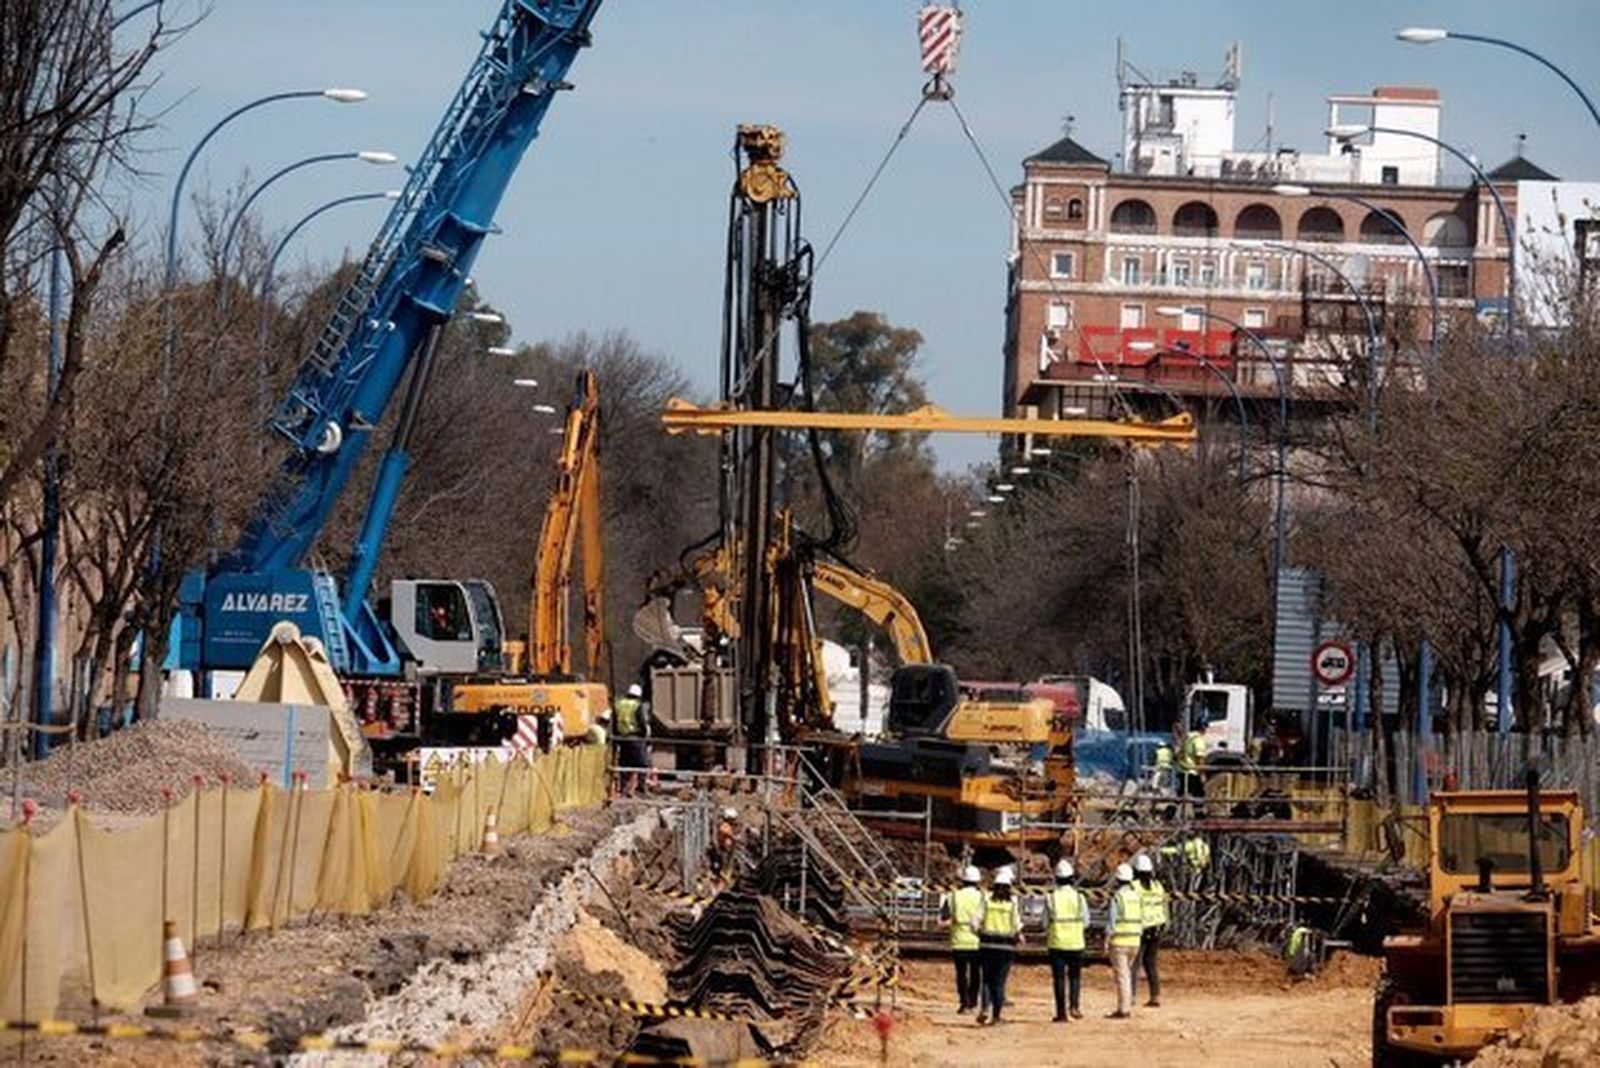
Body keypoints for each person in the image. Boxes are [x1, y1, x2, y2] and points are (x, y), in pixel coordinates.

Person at [976, 865, 1021, 1026]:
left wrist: (980, 933)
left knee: (986, 980)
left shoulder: (986, 900)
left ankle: (984, 1009)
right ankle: (996, 1016)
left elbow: (975, 922)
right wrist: (1019, 936)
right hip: (1006, 948)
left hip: (987, 945)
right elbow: (1017, 925)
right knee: (999, 982)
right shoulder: (1012, 903)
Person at [1044, 858, 1087, 1022]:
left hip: (1057, 943)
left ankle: (1061, 1012)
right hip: (1076, 943)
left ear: (1056, 878)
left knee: (1059, 978)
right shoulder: (1079, 897)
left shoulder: (1051, 898)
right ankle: (1075, 1006)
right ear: (1071, 878)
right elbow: (1086, 921)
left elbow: (1044, 922)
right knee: (1075, 977)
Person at [939, 865, 985, 1013]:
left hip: (959, 940)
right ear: (977, 881)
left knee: (961, 973)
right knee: (975, 973)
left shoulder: (953, 896)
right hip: (977, 940)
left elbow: (943, 918)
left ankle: (964, 1003)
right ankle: (973, 1002)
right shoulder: (983, 896)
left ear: (962, 881)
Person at [1106, 862, 1145, 1019]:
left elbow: (1112, 920)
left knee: (1122, 976)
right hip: (1135, 940)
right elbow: (1142, 917)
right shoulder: (1136, 896)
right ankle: (1126, 1004)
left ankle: (1124, 1008)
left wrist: (1106, 938)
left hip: (1120, 941)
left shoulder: (1118, 897)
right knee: (1126, 974)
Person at [1132, 853, 1168, 1007]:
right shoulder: (1158, 886)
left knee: (1134, 963)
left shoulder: (1134, 887)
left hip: (1142, 927)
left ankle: (1131, 996)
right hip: (1157, 927)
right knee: (1150, 963)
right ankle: (1155, 995)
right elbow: (1164, 905)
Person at [613, 683, 651, 795]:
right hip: (635, 737)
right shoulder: (637, 705)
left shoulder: (618, 704)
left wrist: (617, 738)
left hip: (622, 738)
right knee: (642, 763)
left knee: (625, 763)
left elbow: (615, 723)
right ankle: (641, 787)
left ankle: (624, 788)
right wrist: (645, 736)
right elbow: (641, 722)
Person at [1177, 726, 1208, 799]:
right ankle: (1199, 810)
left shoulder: (1188, 739)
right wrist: (1202, 775)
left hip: (1184, 771)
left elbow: (1180, 754)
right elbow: (1199, 759)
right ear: (1203, 728)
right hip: (1193, 772)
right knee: (1199, 795)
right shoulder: (1198, 740)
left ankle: (1170, 810)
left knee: (1179, 796)